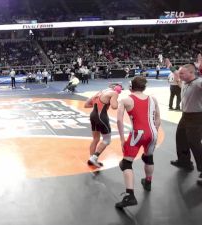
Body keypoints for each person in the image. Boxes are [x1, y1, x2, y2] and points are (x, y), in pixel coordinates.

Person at [115, 76, 161, 208]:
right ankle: (148, 182)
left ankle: (130, 196)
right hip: (152, 133)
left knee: (125, 163)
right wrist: (154, 133)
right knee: (148, 157)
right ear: (144, 87)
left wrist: (123, 139)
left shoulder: (125, 100)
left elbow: (119, 121)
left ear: (131, 87)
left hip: (138, 134)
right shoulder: (153, 99)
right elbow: (158, 119)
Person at [169, 64, 202, 186]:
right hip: (185, 116)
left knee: (194, 142)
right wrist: (170, 66)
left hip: (197, 116)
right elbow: (176, 74)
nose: (179, 75)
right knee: (181, 138)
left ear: (191, 73)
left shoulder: (199, 83)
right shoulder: (183, 82)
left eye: (182, 73)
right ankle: (184, 162)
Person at [84, 83, 122, 167]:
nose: (119, 93)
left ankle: (92, 158)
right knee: (107, 140)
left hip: (93, 115)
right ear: (116, 89)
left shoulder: (99, 92)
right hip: (101, 117)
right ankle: (94, 158)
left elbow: (86, 104)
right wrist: (118, 101)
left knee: (95, 139)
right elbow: (114, 106)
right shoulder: (114, 93)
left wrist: (97, 105)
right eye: (119, 91)